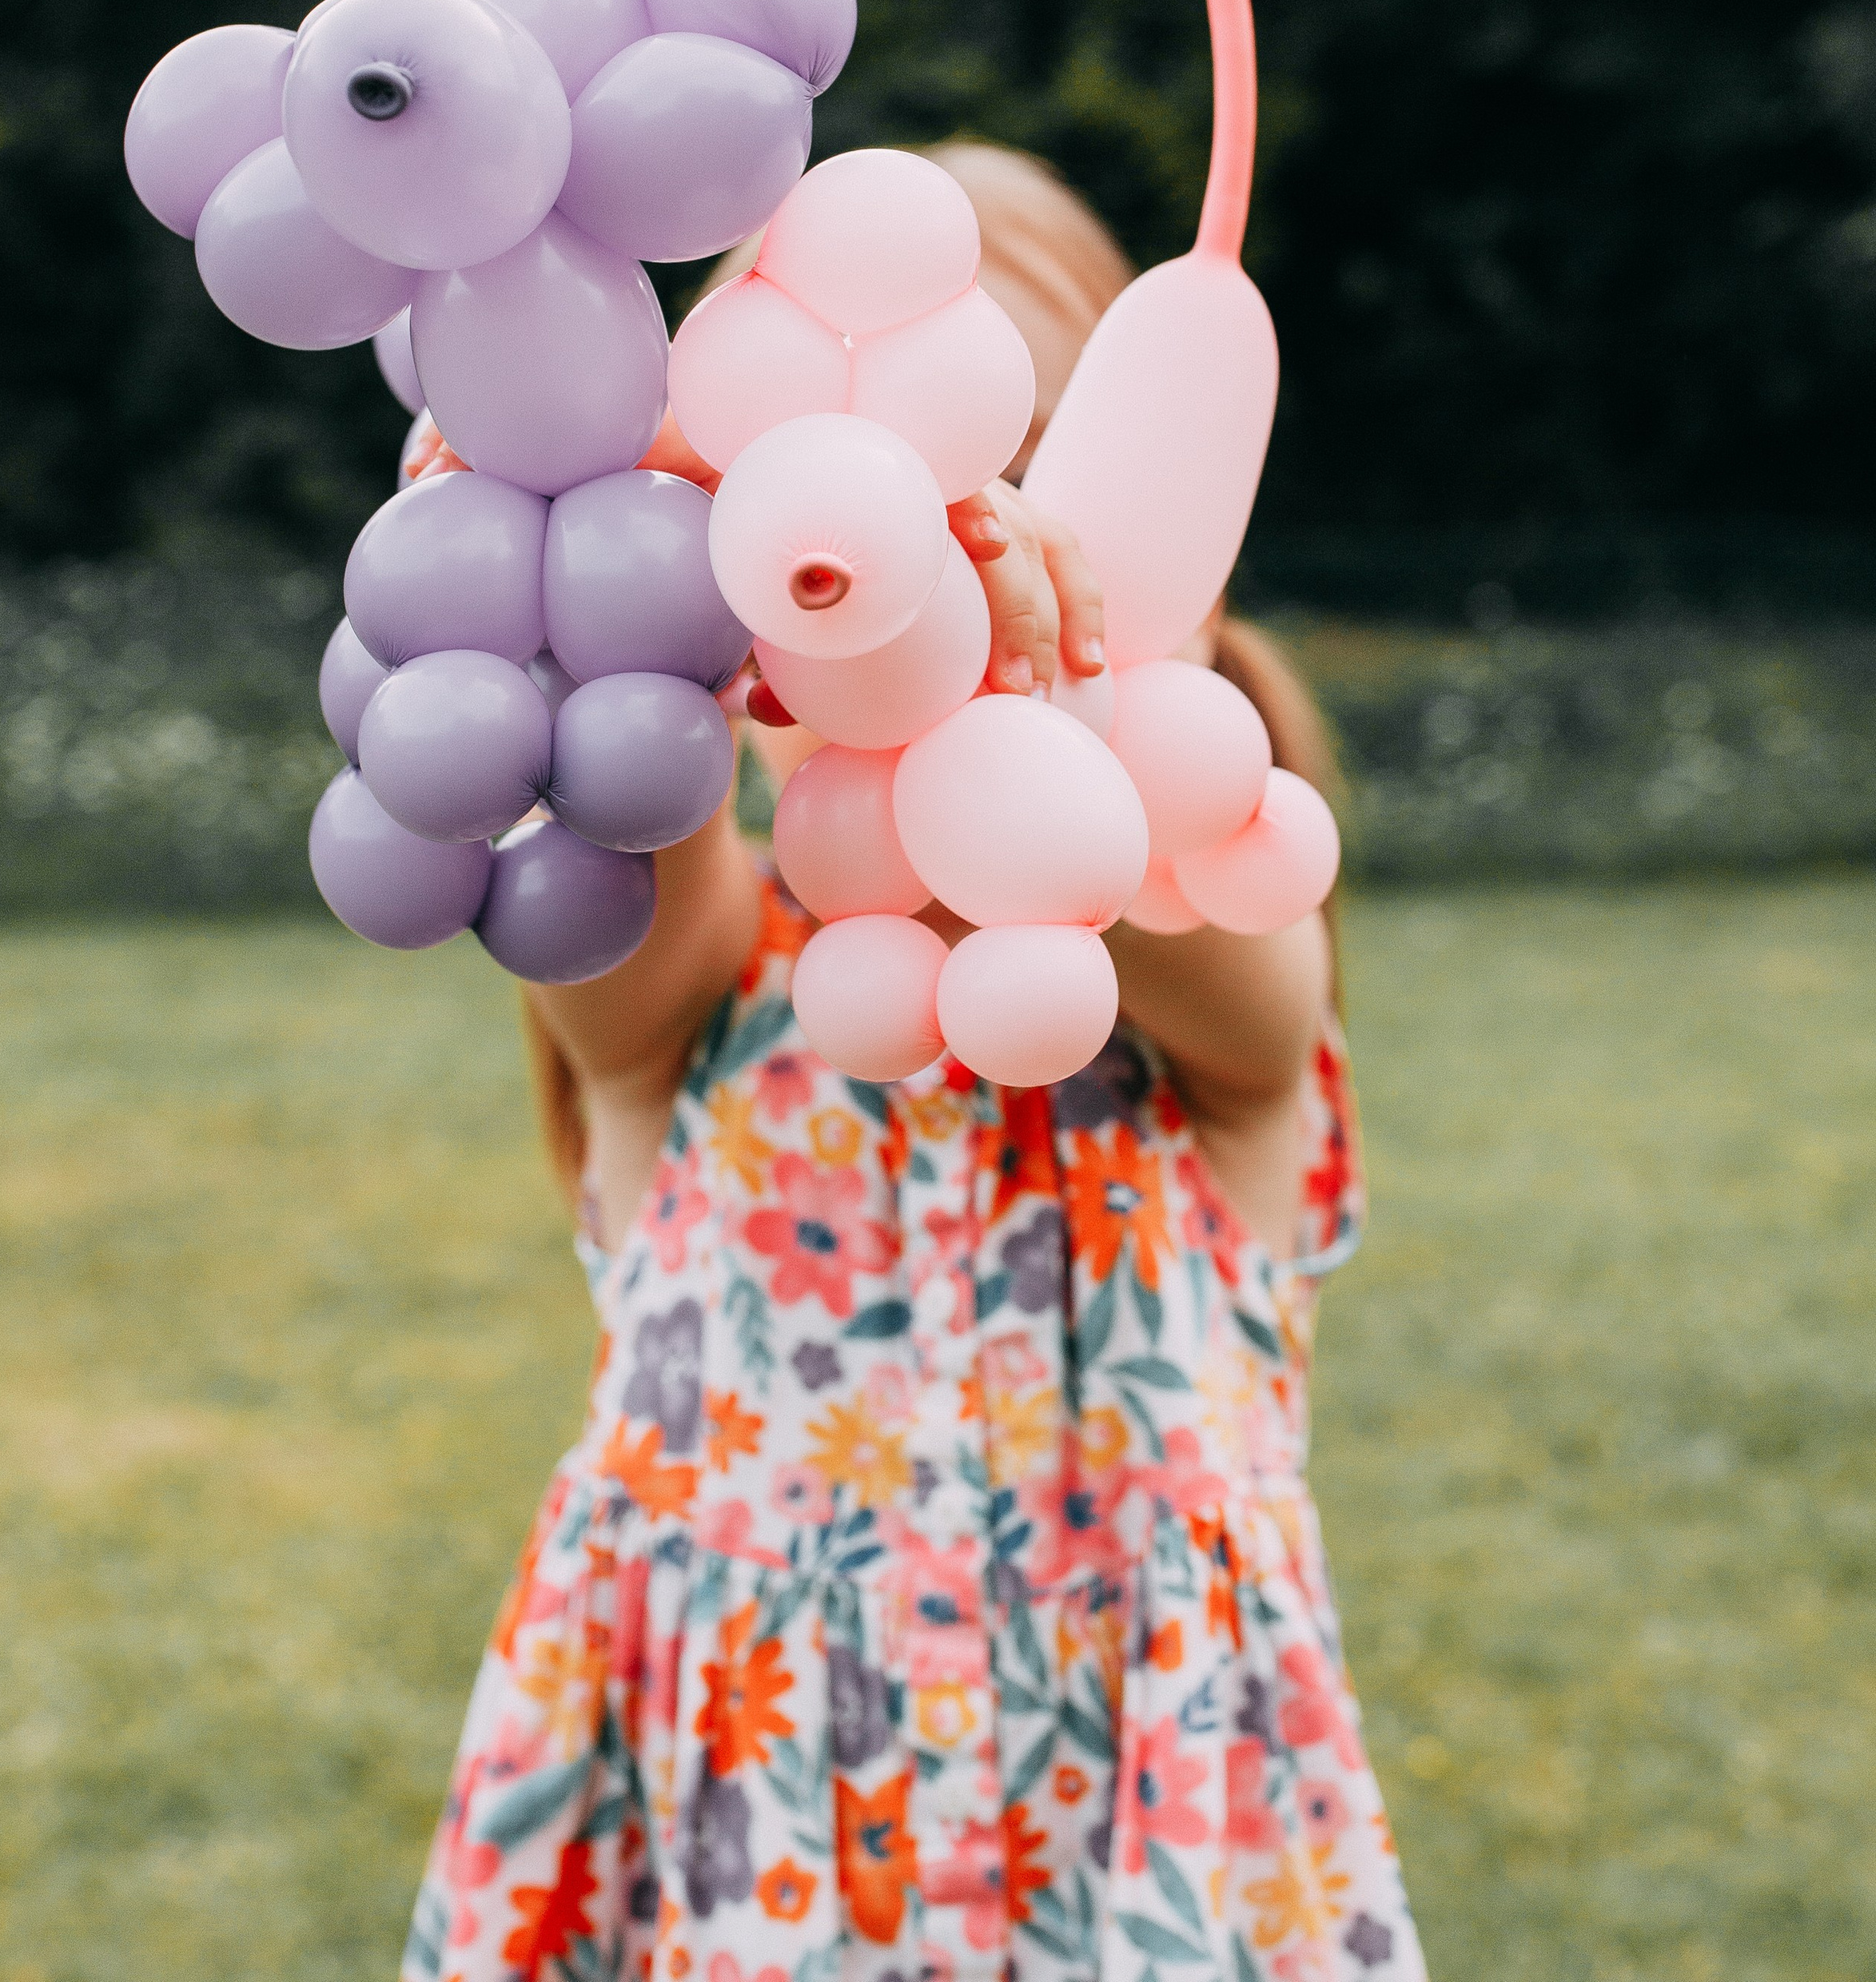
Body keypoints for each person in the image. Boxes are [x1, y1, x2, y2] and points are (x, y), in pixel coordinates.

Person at [404, 144, 1426, 1982]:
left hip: (1135, 1851)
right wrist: (600, 583)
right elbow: (616, 837)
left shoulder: (1205, 976)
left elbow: (1219, 981)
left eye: (989, 505)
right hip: (751, 1830)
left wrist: (1011, 688)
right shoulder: (706, 992)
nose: (892, 603)